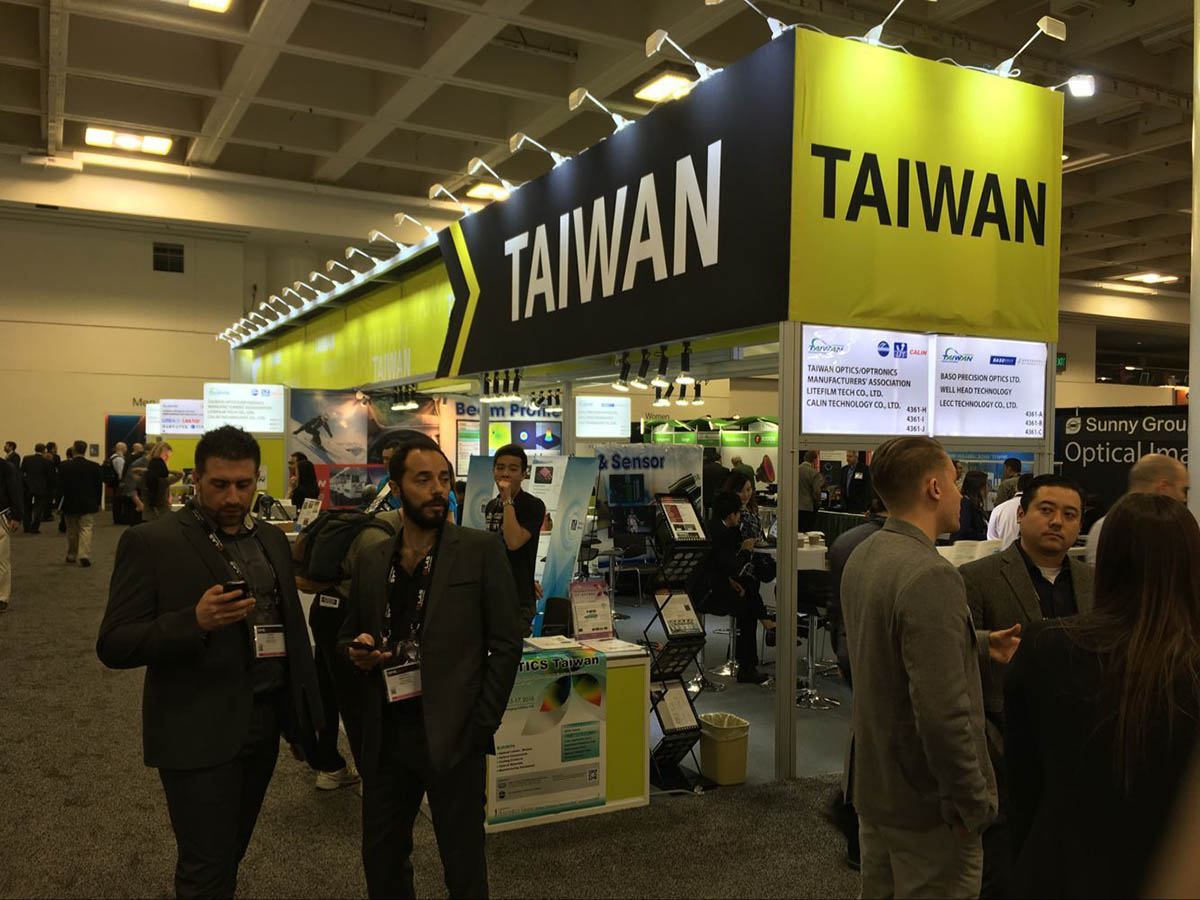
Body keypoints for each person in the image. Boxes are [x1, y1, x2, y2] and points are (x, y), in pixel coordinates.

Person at [97, 425, 322, 898]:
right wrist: (192, 622)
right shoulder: (152, 542)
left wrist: (301, 718)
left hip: (263, 722)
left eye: (244, 484)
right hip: (196, 727)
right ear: (195, 479)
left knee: (230, 851)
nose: (233, 497)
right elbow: (114, 644)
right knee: (204, 864)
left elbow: (290, 632)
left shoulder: (271, 539)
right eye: (219, 484)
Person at [339, 438, 523, 899]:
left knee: (463, 865)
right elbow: (349, 633)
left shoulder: (480, 551)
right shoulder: (372, 559)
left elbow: (506, 643)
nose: (438, 489)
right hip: (386, 735)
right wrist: (356, 650)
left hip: (454, 735)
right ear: (397, 488)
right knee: (382, 859)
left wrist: (481, 725)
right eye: (423, 480)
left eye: (444, 479)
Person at [1005, 493, 1200, 898]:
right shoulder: (1188, 666)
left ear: (1107, 560)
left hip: (1059, 870)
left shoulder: (1046, 647)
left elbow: (1022, 785)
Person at [841, 436, 1003, 899]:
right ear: (934, 488)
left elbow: (885, 647)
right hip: (927, 807)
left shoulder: (865, 554)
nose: (959, 494)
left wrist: (976, 642)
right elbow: (942, 714)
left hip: (877, 788)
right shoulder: (932, 574)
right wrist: (971, 802)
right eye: (953, 482)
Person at [960, 474, 1093, 899]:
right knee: (1003, 870)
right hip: (1004, 743)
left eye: (1069, 515)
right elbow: (957, 652)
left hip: (1079, 744)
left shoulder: (1094, 582)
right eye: (1046, 510)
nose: (1057, 522)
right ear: (1021, 514)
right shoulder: (977, 577)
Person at [826, 495, 888, 871]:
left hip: (848, 645)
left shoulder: (845, 541)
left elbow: (836, 604)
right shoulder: (889, 547)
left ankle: (851, 813)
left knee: (865, 732)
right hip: (874, 651)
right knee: (875, 737)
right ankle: (851, 813)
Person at [687, 491, 775, 685]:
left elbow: (718, 567)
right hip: (707, 593)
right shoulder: (722, 533)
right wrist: (746, 550)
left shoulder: (713, 527)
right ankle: (750, 661)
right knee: (748, 605)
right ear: (731, 515)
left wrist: (731, 580)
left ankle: (765, 627)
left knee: (748, 591)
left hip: (707, 586)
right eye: (738, 513)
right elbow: (733, 567)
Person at [484, 444, 545, 637]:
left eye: (513, 469)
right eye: (500, 467)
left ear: (523, 474)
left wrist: (507, 500)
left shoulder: (533, 505)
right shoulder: (491, 506)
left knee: (512, 649)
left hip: (519, 598)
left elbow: (513, 542)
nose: (505, 473)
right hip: (493, 594)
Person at [1086, 452, 1189, 565]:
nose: (1184, 498)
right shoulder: (1171, 533)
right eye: (1183, 490)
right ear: (1163, 487)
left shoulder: (1102, 528)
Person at [59, 439, 103, 568]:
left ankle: (72, 554)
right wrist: (98, 502)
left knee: (72, 529)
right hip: (88, 502)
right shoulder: (94, 466)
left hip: (70, 502)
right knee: (86, 528)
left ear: (73, 450)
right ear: (85, 450)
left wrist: (58, 504)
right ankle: (84, 554)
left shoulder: (64, 466)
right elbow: (98, 487)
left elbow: (60, 487)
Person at [0, 454, 23, 613]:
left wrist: (16, 516)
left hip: (1, 515)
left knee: (1, 559)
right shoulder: (7, 467)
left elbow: (15, 491)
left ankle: (2, 597)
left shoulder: (6, 467)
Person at [986, 473, 1034, 548]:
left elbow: (991, 541)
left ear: (1016, 488)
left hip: (1002, 553)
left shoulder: (998, 509)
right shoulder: (1035, 509)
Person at [142, 441, 183, 520]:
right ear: (159, 453)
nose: (167, 459)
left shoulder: (151, 467)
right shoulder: (146, 464)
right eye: (166, 456)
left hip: (149, 509)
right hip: (157, 508)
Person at [20, 442, 51, 533]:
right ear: (44, 450)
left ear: (35, 449)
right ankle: (34, 527)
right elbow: (49, 476)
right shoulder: (46, 461)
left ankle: (26, 526)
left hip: (27, 486)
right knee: (38, 508)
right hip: (41, 487)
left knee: (27, 507)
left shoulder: (27, 459)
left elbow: (22, 471)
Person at [950, 471, 989, 542]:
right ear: (978, 487)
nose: (988, 488)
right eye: (986, 485)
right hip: (965, 547)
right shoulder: (965, 504)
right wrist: (987, 537)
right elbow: (964, 531)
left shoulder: (975, 504)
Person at [120, 442, 148, 525]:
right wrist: (138, 503)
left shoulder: (130, 458)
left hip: (136, 497)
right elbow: (131, 483)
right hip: (137, 498)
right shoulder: (138, 462)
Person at [798, 450, 825, 533]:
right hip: (807, 508)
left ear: (804, 458)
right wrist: (818, 504)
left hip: (794, 507)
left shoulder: (794, 470)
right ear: (814, 460)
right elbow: (816, 492)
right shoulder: (814, 473)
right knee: (806, 533)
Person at [701, 446, 730, 518]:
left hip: (707, 496)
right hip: (719, 497)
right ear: (720, 459)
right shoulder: (725, 470)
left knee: (706, 515)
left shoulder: (704, 469)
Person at [374, 441, 402, 511]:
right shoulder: (384, 481)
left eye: (388, 459)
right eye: (384, 459)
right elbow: (375, 506)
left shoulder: (407, 481)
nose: (385, 462)